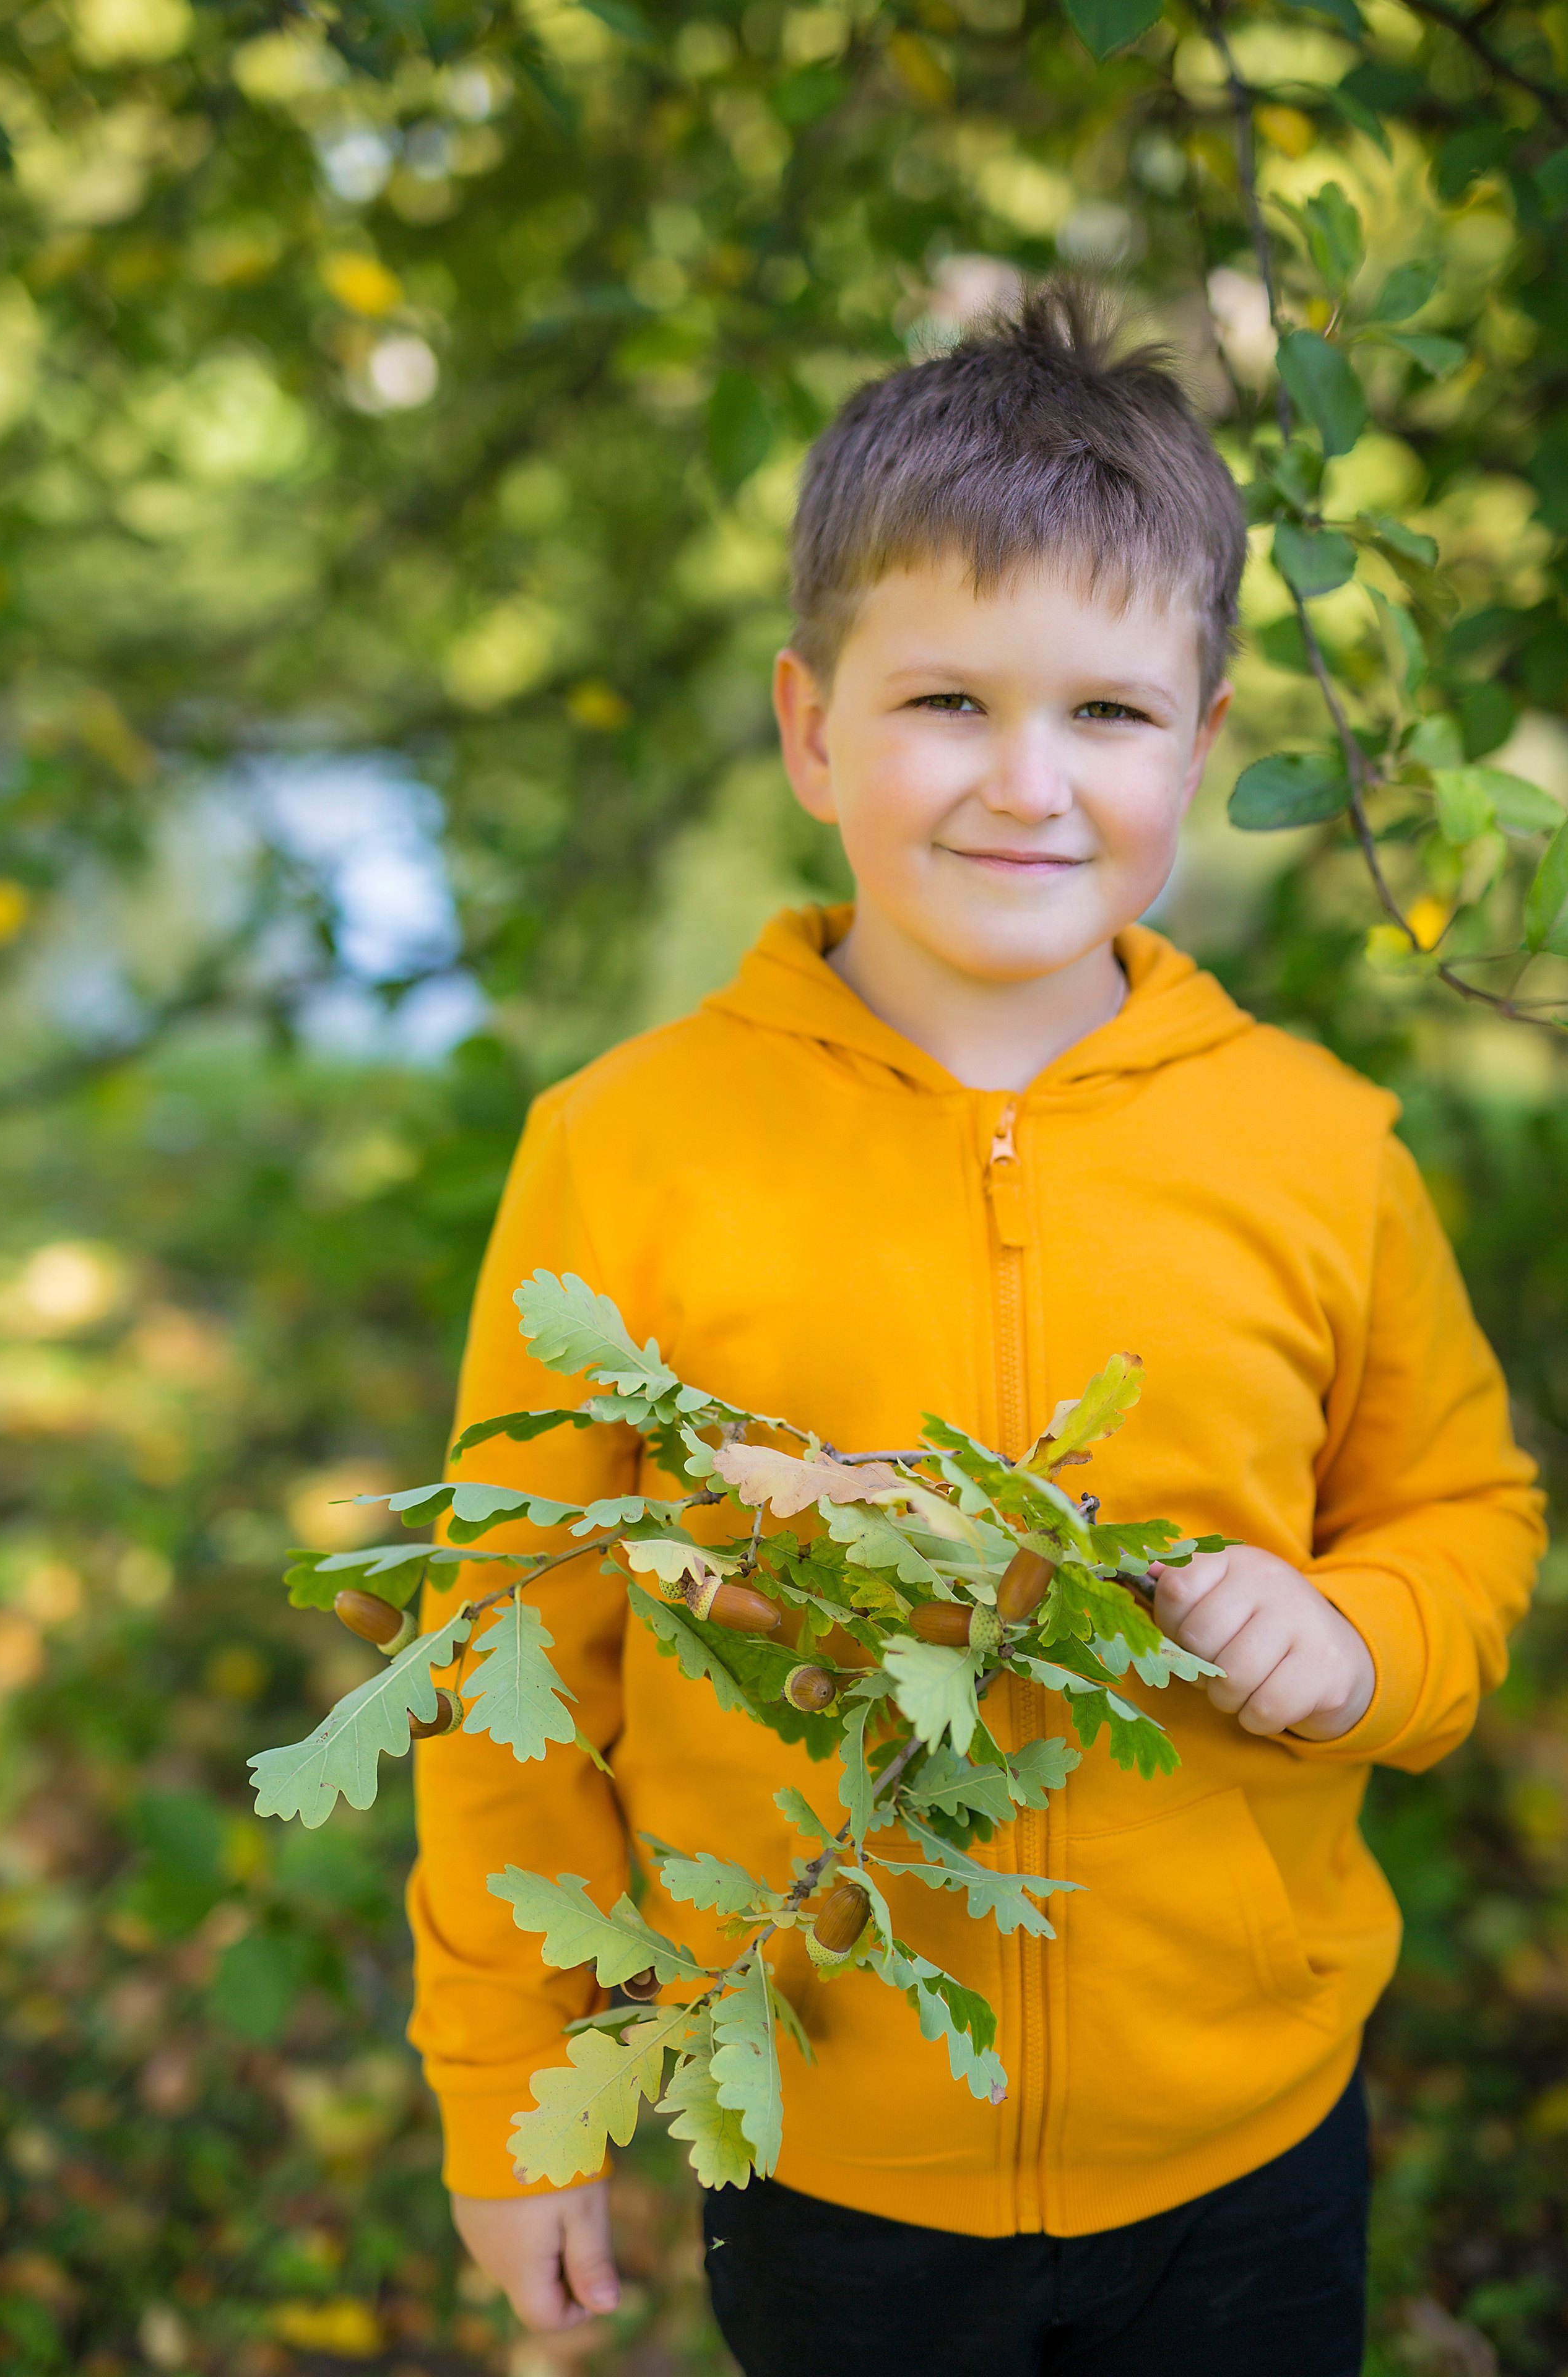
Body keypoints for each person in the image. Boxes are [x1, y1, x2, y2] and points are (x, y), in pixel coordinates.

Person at [407, 280, 1544, 2376]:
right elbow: (509, 1652)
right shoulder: (627, 1148)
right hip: (826, 2145)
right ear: (808, 724)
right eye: (946, 701)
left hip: (1249, 2147)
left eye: (1108, 715)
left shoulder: (1319, 1147)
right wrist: (512, 2093)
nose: (1027, 783)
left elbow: (1465, 1506)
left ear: (1203, 747)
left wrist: (1363, 1637)